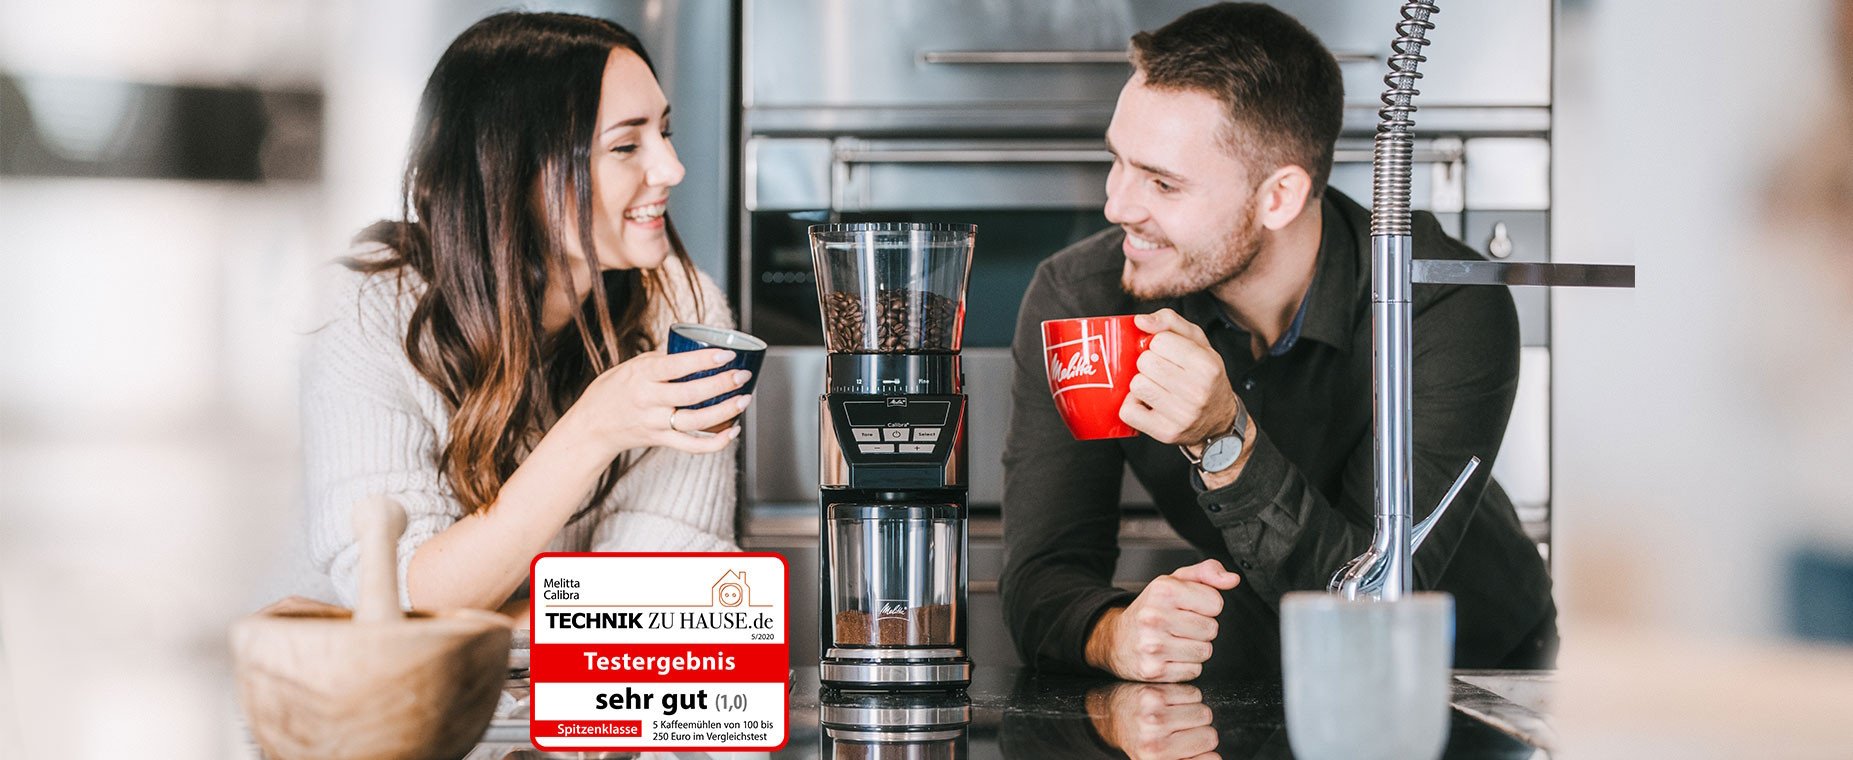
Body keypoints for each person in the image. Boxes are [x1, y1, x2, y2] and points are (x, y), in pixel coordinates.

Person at [1001, 2, 1556, 681]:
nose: (1117, 204)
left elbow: (1370, 610)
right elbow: (1043, 572)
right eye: (1116, 161)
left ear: (1278, 197)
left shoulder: (1441, 304)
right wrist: (1114, 633)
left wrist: (1225, 439)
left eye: (1162, 182)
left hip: (1476, 671)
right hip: (1259, 677)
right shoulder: (1082, 297)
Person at [303, 12, 751, 615]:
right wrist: (595, 427)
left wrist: (502, 604)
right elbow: (399, 593)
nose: (672, 169)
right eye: (625, 145)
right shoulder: (367, 309)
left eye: (664, 133)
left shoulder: (681, 306)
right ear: (511, 172)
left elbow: (663, 600)